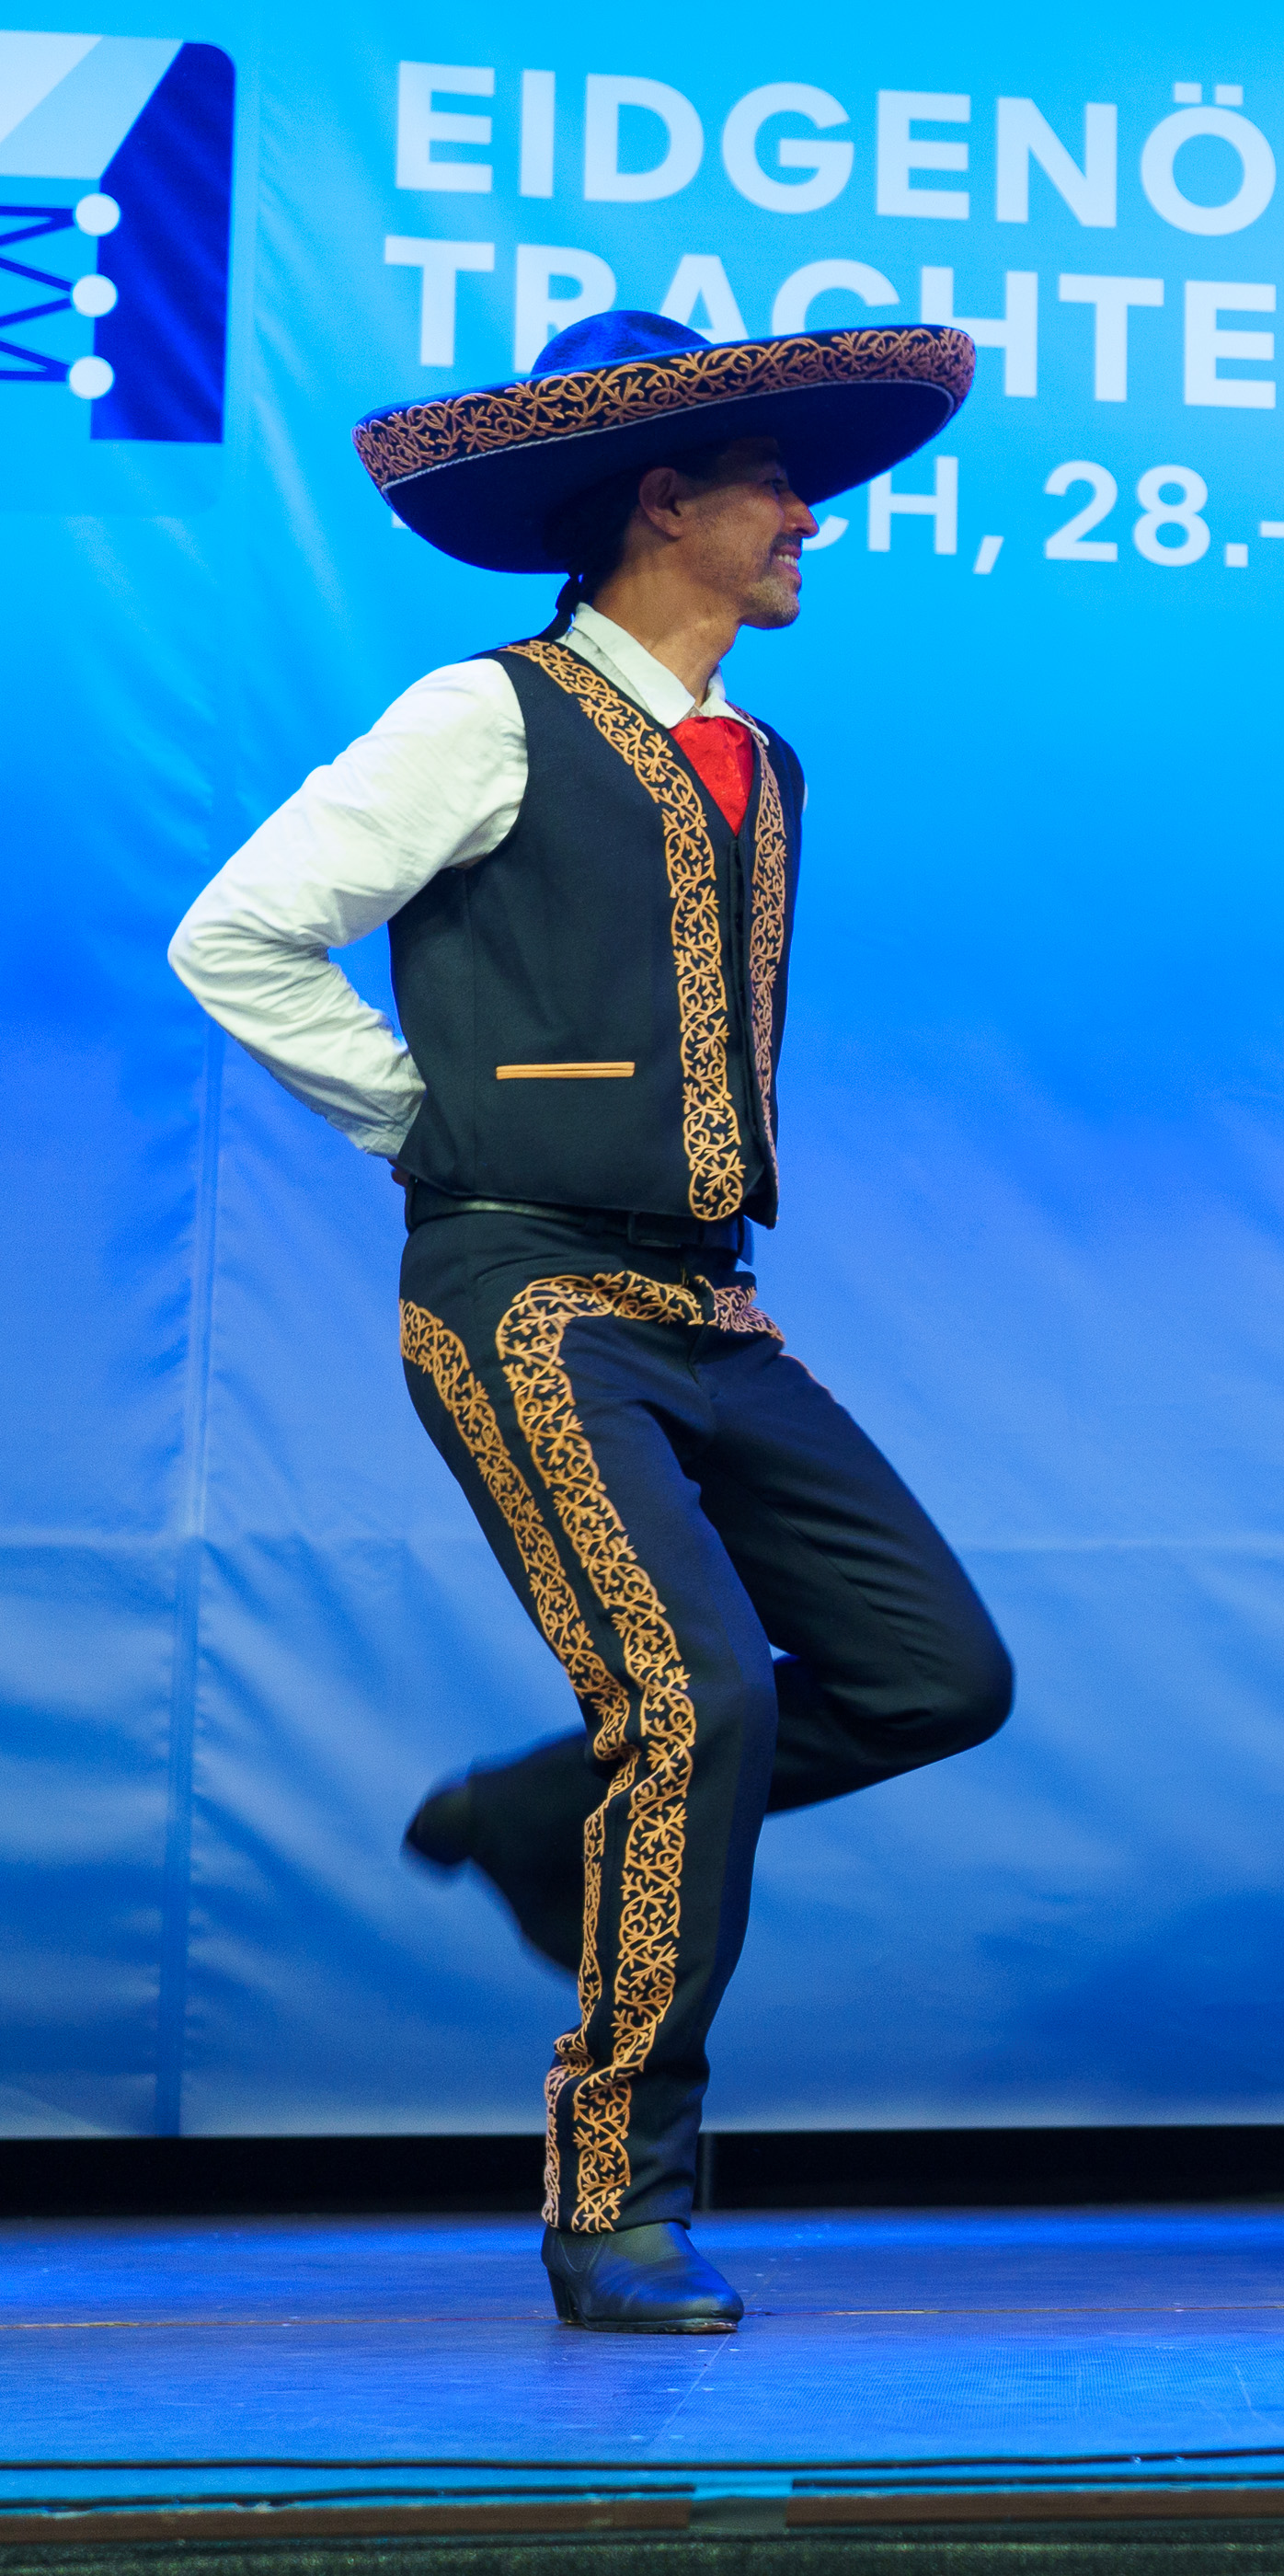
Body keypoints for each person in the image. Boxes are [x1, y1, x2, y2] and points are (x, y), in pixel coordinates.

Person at [168, 309, 1005, 2332]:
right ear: (662, 500)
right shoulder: (489, 713)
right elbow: (239, 931)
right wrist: (419, 1117)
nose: (811, 515)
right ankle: (614, 2191)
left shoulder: (766, 760)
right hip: (520, 1285)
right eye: (775, 484)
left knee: (932, 1669)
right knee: (696, 1697)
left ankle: (536, 1814)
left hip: (706, 1302)